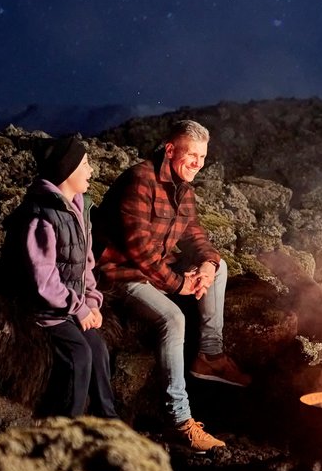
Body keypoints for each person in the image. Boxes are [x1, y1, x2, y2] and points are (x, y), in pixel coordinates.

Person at [93, 119, 247, 451]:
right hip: (123, 274)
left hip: (155, 269)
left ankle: (210, 354)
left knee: (218, 269)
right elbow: (138, 249)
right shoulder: (140, 180)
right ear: (170, 150)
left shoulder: (184, 189)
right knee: (173, 319)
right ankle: (179, 421)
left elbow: (194, 236)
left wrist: (206, 264)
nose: (198, 164)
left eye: (203, 158)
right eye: (192, 155)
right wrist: (179, 285)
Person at [3, 135, 117, 419]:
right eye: (86, 164)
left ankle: (108, 420)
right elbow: (43, 279)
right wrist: (78, 307)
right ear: (67, 170)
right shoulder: (40, 217)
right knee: (79, 355)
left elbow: (85, 264)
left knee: (98, 349)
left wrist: (91, 300)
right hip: (44, 312)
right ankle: (66, 425)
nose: (91, 171)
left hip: (69, 306)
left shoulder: (79, 207)